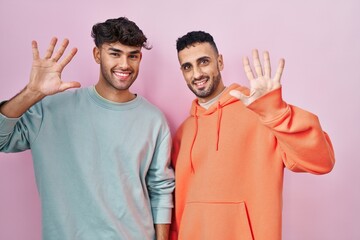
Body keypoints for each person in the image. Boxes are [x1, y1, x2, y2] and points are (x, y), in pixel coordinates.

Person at [0, 17, 174, 240]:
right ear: (97, 54)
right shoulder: (50, 109)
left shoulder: (154, 119)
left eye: (133, 55)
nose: (125, 64)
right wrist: (32, 93)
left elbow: (160, 189)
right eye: (115, 53)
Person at [170, 31, 335, 240]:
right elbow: (179, 209)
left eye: (203, 62)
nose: (196, 74)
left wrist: (275, 112)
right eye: (187, 67)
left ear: (219, 62)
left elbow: (322, 161)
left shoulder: (261, 113)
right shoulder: (184, 132)